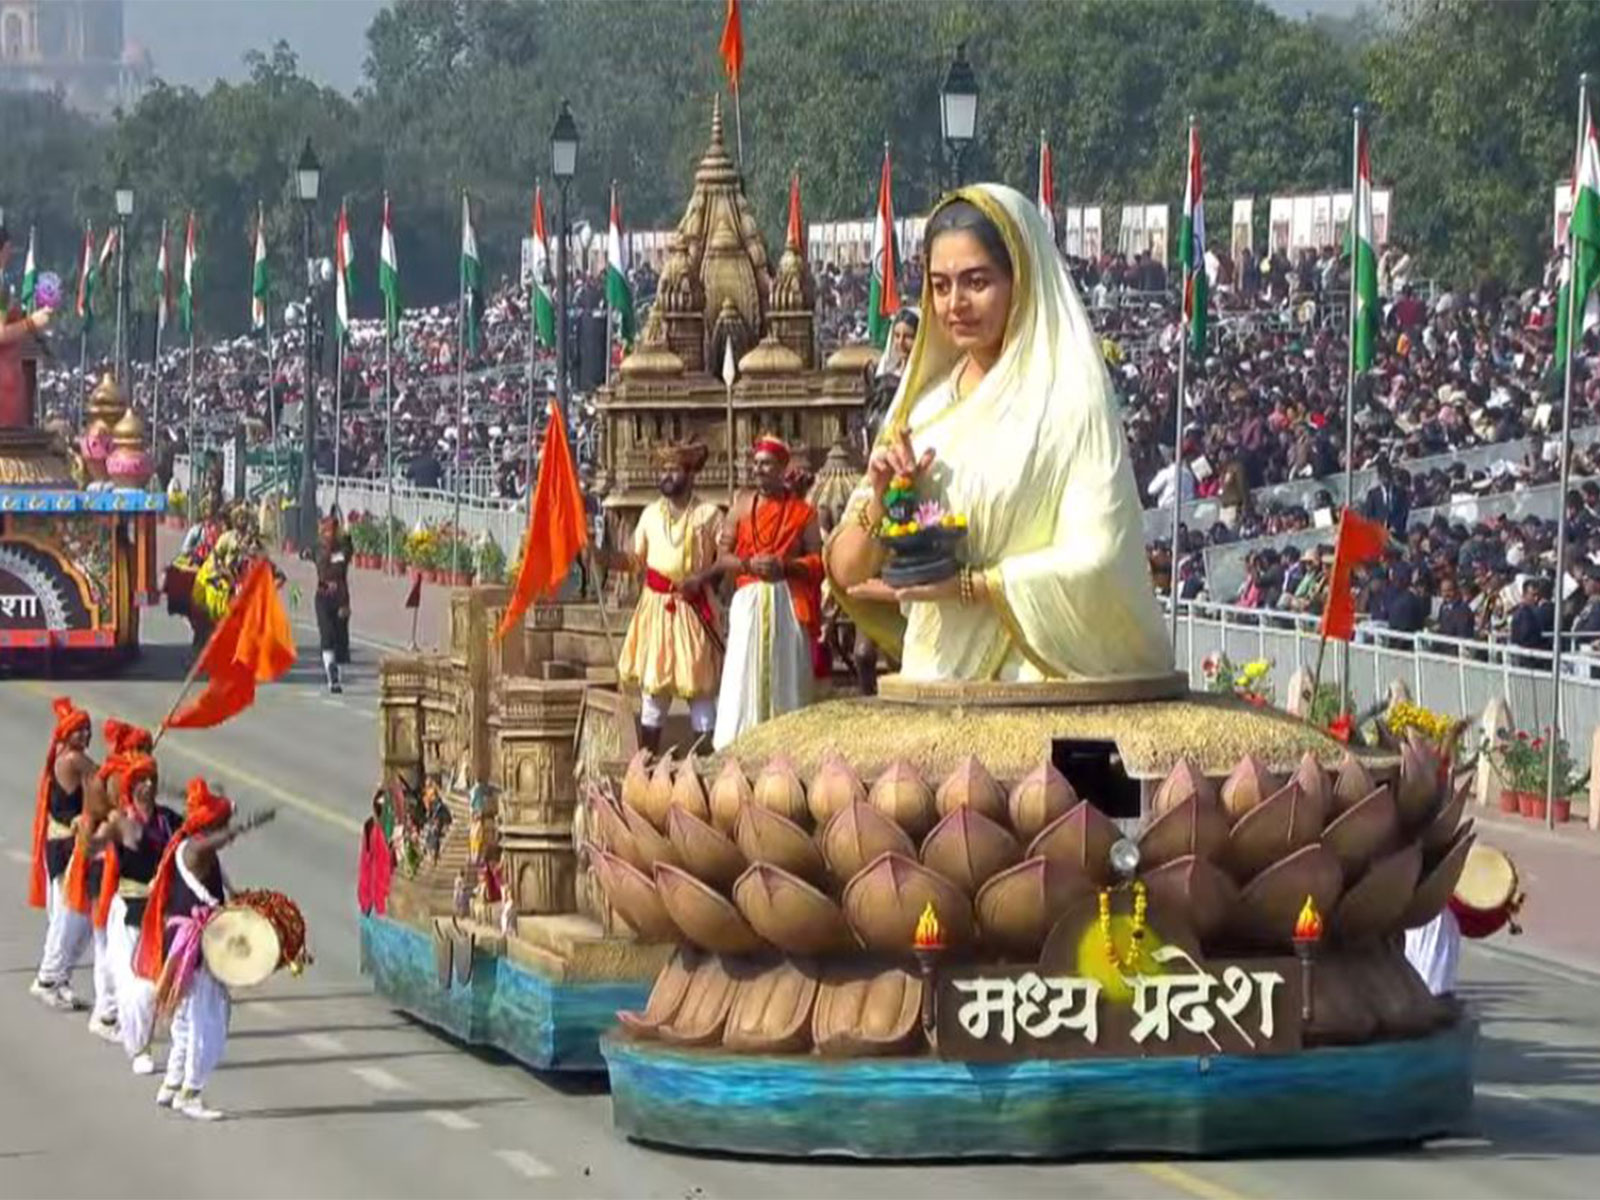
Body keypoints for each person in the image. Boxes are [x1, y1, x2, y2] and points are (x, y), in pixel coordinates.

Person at [825, 185, 1172, 683]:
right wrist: (880, 497)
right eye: (940, 286)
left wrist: (970, 586)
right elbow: (846, 571)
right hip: (937, 680)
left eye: (976, 282)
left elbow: (1103, 558)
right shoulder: (923, 410)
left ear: (1021, 281)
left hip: (1037, 683)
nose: (955, 304)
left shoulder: (1068, 404)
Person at [135, 779, 273, 1121]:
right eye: (220, 822)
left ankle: (171, 1084)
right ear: (210, 826)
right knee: (205, 1019)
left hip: (187, 942)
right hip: (193, 946)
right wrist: (244, 825)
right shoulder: (195, 850)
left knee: (184, 1019)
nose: (225, 829)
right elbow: (219, 839)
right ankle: (190, 1093)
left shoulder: (190, 844)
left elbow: (220, 867)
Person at [711, 435, 824, 750]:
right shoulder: (740, 508)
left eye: (766, 464)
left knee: (787, 674)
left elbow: (819, 561)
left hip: (788, 603)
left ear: (782, 468)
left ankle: (790, 746)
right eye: (756, 463)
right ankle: (738, 745)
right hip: (749, 601)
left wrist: (785, 567)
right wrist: (748, 563)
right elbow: (723, 557)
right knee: (742, 671)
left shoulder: (804, 513)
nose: (759, 469)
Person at [612, 441, 723, 754]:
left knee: (699, 690)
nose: (667, 475)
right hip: (655, 610)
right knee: (653, 691)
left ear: (690, 474)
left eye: (674, 469)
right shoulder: (649, 515)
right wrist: (601, 557)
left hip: (693, 610)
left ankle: (706, 763)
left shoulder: (709, 515)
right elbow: (633, 560)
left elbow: (726, 560)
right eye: (663, 470)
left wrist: (701, 579)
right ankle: (647, 763)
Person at [95, 750, 179, 1076]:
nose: (148, 785)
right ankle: (139, 1047)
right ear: (131, 786)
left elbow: (193, 849)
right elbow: (92, 844)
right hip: (129, 910)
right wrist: (95, 824)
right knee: (134, 988)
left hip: (162, 911)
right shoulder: (121, 821)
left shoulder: (169, 820)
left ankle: (158, 1039)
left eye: (152, 779)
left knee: (161, 983)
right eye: (141, 779)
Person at [29, 698, 97, 1011]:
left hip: (66, 845)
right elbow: (106, 780)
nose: (84, 735)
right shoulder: (73, 759)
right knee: (69, 918)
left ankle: (61, 978)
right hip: (65, 847)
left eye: (87, 730)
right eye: (78, 730)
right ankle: (47, 979)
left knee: (74, 918)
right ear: (66, 735)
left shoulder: (68, 755)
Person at [315, 515, 353, 692]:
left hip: (340, 596)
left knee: (340, 640)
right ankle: (332, 673)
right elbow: (307, 553)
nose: (328, 533)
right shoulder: (319, 549)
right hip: (323, 595)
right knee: (327, 636)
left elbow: (344, 558)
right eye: (325, 530)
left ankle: (336, 669)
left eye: (331, 530)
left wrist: (345, 536)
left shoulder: (343, 549)